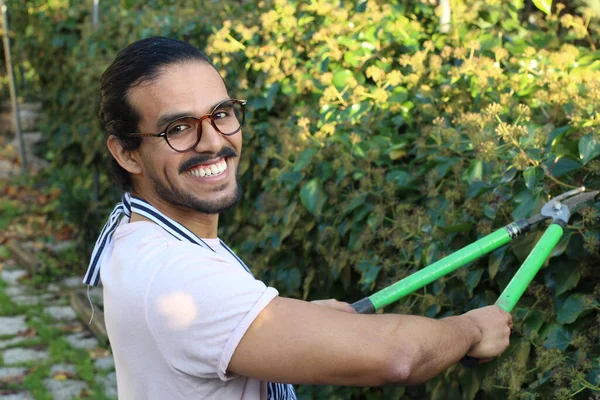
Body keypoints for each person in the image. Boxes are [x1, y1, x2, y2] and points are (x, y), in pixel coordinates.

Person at [83, 36, 512, 400]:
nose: (214, 141)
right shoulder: (176, 276)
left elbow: (208, 331)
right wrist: (472, 328)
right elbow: (397, 357)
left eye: (221, 114)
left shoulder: (137, 234)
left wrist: (290, 321)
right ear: (126, 152)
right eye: (178, 128)